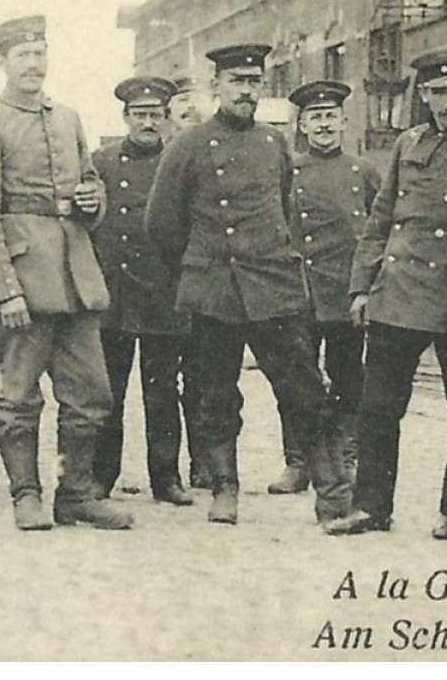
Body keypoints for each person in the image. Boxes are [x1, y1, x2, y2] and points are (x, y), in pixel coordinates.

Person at [146, 43, 351, 531]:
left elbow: (281, 207)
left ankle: (332, 489)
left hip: (273, 287)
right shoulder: (188, 145)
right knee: (215, 392)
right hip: (215, 287)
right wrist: (200, 266)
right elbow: (161, 223)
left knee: (303, 388)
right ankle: (225, 487)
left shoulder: (272, 143)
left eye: (254, 82)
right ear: (217, 86)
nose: (246, 91)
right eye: (237, 82)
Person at [328, 46, 447, 539]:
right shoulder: (408, 143)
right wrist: (361, 286)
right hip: (398, 292)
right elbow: (381, 219)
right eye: (438, 92)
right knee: (377, 407)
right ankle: (371, 506)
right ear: (425, 96)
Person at [0, 15, 130, 531]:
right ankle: (25, 495)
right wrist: (4, 288)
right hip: (25, 283)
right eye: (23, 56)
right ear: (3, 63)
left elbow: (89, 185)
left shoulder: (68, 118)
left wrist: (93, 201)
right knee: (18, 395)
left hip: (75, 278)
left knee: (91, 392)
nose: (34, 64)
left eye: (40, 53)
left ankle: (74, 493)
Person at [269, 80, 379, 495]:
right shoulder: (289, 171)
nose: (324, 125)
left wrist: (367, 285)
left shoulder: (363, 171)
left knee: (349, 378)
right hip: (300, 291)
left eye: (331, 116)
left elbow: (379, 228)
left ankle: (344, 457)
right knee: (296, 380)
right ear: (302, 126)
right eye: (315, 118)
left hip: (347, 291)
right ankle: (298, 462)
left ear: (344, 122)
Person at [90, 76, 194, 506]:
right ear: (126, 118)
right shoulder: (102, 161)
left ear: (166, 118)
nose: (148, 122)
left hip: (163, 292)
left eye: (155, 114)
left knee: (163, 390)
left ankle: (166, 478)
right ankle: (101, 476)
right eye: (140, 115)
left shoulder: (180, 160)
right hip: (115, 290)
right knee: (108, 390)